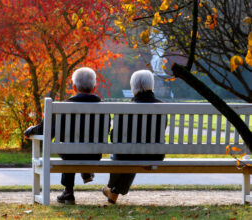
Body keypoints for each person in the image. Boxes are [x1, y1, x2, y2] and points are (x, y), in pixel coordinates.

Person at [25, 67, 107, 205]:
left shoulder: (63, 107)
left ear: (74, 87)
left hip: (70, 153)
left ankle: (68, 192)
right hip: (94, 154)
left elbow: (45, 130)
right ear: (94, 87)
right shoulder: (104, 108)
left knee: (68, 145)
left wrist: (31, 130)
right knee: (73, 146)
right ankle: (85, 172)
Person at [102, 69, 167, 204]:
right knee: (133, 152)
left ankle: (111, 188)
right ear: (151, 85)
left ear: (133, 87)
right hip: (154, 155)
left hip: (128, 154)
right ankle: (114, 192)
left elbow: (115, 138)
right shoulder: (162, 107)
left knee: (124, 153)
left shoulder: (125, 109)